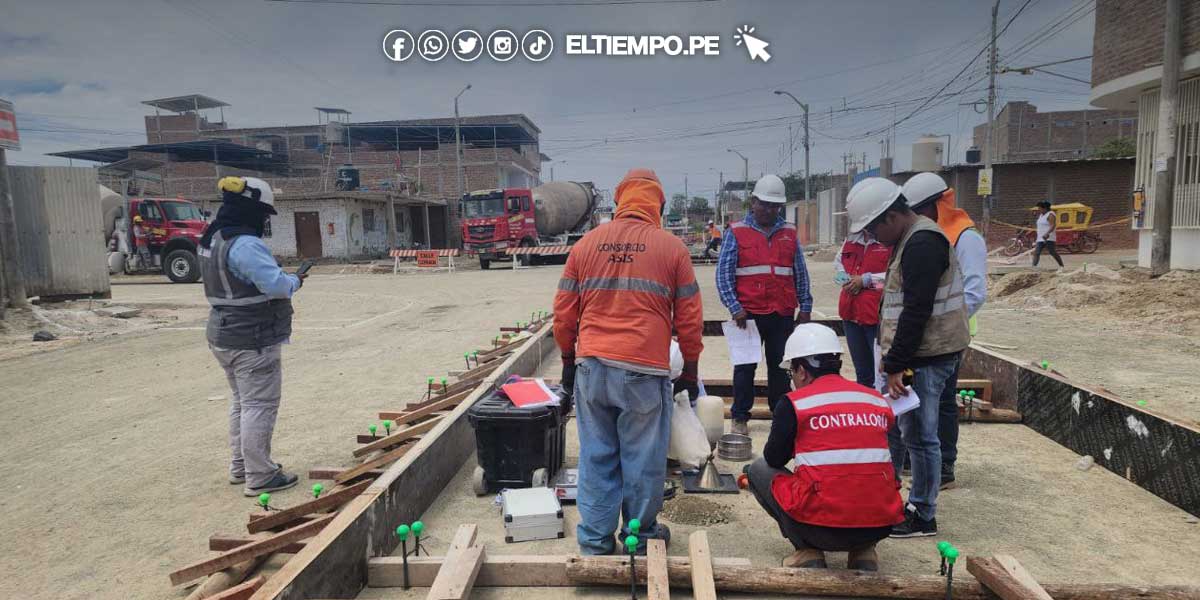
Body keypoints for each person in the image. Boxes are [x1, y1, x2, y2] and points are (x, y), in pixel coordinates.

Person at [553, 168, 704, 555]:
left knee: (597, 457)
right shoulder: (672, 249)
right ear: (659, 206)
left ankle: (595, 542)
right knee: (642, 459)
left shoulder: (586, 245)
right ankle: (640, 538)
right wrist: (690, 370)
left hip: (592, 368)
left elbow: (564, 315)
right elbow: (690, 321)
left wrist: (568, 363)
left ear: (620, 203)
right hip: (643, 372)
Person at [845, 177, 970, 539]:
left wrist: (896, 364)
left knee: (919, 436)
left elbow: (916, 311)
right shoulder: (910, 239)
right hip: (921, 353)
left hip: (927, 356)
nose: (872, 237)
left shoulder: (922, 244)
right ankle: (897, 499)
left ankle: (922, 514)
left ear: (891, 216)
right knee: (903, 429)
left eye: (873, 229)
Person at [744, 323, 903, 571]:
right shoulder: (874, 399)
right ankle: (864, 552)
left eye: (791, 372)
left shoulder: (795, 404)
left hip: (820, 529)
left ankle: (807, 550)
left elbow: (774, 459)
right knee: (870, 478)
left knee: (758, 469)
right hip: (880, 524)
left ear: (801, 371)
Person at [200, 176, 305, 496]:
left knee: (242, 402)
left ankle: (241, 466)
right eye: (263, 214)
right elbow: (276, 285)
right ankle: (260, 475)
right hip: (252, 337)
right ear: (251, 211)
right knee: (259, 404)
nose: (263, 221)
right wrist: (295, 280)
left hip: (223, 333)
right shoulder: (245, 244)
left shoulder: (212, 238)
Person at [902, 172, 988, 489]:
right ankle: (915, 456)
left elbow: (975, 292)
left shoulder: (965, 237)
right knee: (914, 395)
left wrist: (942, 324)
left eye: (920, 210)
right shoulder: (921, 236)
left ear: (939, 205)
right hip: (921, 334)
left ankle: (945, 465)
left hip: (949, 336)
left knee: (942, 400)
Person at [716, 174, 813, 436]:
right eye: (765, 204)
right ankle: (740, 417)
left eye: (774, 206)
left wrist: (805, 305)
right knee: (744, 368)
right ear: (753, 202)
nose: (769, 210)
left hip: (781, 312)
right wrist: (734, 307)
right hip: (747, 315)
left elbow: (799, 272)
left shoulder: (788, 233)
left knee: (780, 369)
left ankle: (779, 417)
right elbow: (724, 274)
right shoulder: (737, 232)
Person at [834, 230, 890, 388]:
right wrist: (845, 279)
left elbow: (895, 278)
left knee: (882, 373)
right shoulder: (851, 240)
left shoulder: (889, 239)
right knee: (862, 373)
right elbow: (838, 263)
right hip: (851, 315)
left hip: (876, 318)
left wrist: (866, 281)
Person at [1032, 200, 1064, 269]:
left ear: (1045, 208)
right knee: (1036, 252)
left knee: (1052, 252)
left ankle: (1061, 266)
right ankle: (1034, 267)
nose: (1038, 209)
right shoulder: (1041, 215)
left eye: (1040, 208)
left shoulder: (1051, 214)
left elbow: (1053, 225)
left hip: (1048, 238)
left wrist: (1047, 233)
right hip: (1040, 238)